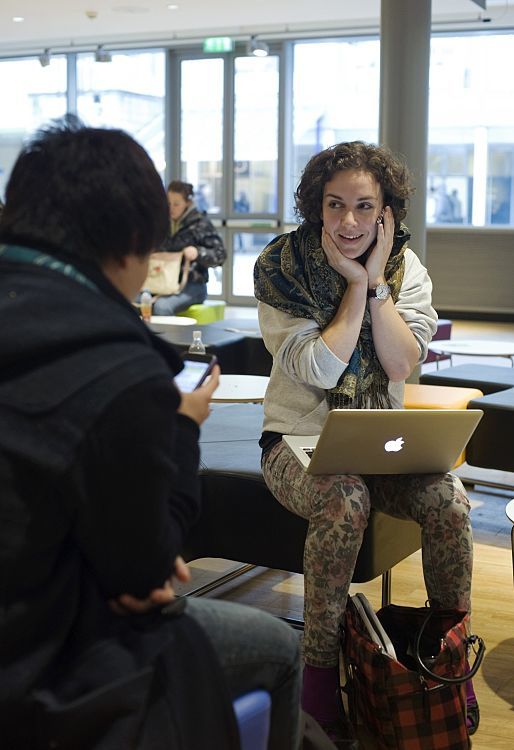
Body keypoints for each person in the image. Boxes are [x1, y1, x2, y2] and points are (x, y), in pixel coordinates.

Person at [0, 116, 302, 750]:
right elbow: (144, 576)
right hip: (38, 670)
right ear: (135, 243)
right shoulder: (119, 367)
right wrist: (183, 429)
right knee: (278, 648)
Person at [254, 141, 478, 745]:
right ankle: (319, 684)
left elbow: (404, 361)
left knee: (451, 502)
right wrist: (354, 285)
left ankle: (447, 664)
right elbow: (320, 369)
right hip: (295, 444)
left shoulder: (408, 271)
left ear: (386, 213)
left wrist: (377, 284)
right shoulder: (283, 267)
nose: (348, 222)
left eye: (363, 206)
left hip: (382, 444)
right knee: (345, 496)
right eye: (334, 205)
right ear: (316, 208)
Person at [151, 180, 226, 315]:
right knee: (134, 301)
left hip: (193, 286)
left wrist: (198, 253)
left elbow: (220, 255)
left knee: (161, 307)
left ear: (187, 203)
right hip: (161, 282)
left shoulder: (200, 223)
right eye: (168, 204)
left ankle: (165, 337)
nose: (171, 208)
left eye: (176, 204)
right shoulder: (162, 224)